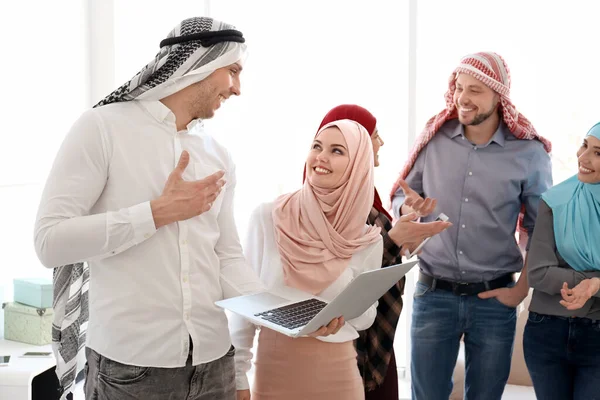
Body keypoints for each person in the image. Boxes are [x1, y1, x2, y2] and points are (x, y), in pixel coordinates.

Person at [34, 17, 262, 400]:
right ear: (200, 63)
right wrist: (156, 213)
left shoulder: (218, 154)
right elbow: (49, 241)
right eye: (233, 71)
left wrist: (284, 312)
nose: (238, 89)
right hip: (131, 372)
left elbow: (227, 257)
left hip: (214, 364)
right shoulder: (101, 129)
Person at [389, 51, 553, 400]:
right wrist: (409, 210)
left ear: (499, 96)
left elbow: (542, 231)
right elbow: (403, 197)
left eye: (475, 90)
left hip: (494, 300)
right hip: (433, 294)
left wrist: (520, 290)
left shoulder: (529, 153)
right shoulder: (434, 138)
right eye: (460, 87)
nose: (463, 98)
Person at [231, 119, 384, 400]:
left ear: (358, 165)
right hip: (275, 369)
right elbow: (244, 302)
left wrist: (342, 310)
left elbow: (367, 318)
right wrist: (238, 373)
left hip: (339, 372)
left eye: (337, 150)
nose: (321, 157)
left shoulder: (367, 238)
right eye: (317, 146)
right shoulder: (268, 217)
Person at [315, 104, 450, 399]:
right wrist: (392, 240)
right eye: (375, 135)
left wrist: (403, 221)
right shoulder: (326, 204)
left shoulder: (362, 194)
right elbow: (339, 274)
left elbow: (375, 251)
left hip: (376, 336)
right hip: (350, 339)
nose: (381, 142)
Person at [524, 122, 600, 400]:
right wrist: (592, 280)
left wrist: (594, 285)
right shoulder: (555, 200)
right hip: (546, 331)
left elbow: (551, 274)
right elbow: (539, 274)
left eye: (598, 153)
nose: (583, 158)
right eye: (584, 146)